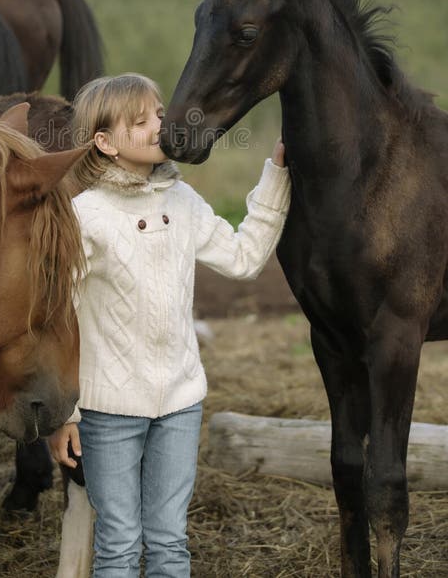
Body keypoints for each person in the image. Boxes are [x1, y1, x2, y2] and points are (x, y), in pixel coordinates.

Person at [48, 73, 291, 577]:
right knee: (117, 544)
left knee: (169, 542)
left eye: (158, 114)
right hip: (108, 410)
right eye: (140, 121)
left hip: (180, 403)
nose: (158, 125)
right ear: (105, 142)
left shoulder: (183, 202)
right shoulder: (86, 215)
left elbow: (245, 257)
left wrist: (276, 176)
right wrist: (64, 415)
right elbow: (58, 318)